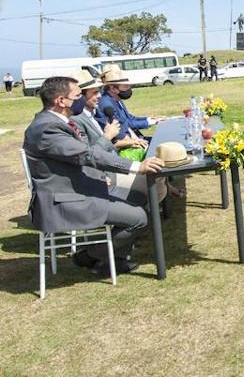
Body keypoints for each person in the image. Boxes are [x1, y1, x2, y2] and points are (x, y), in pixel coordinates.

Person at [23, 76, 165, 276]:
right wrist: (137, 166)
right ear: (61, 101)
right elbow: (86, 154)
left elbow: (78, 157)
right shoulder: (47, 128)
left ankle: (114, 257)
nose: (82, 98)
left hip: (83, 187)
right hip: (65, 199)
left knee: (140, 198)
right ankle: (90, 256)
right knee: (139, 218)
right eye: (78, 95)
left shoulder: (54, 122)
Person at [69, 69, 166, 205]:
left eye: (99, 91)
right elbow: (86, 155)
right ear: (80, 96)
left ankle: (139, 212)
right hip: (107, 173)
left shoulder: (93, 112)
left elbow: (126, 123)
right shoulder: (76, 120)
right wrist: (108, 136)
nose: (99, 96)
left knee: (158, 174)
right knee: (155, 178)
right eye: (95, 92)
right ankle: (136, 214)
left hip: (114, 164)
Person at [96, 66, 161, 143]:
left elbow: (129, 118)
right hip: (128, 142)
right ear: (113, 88)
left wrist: (150, 119)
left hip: (134, 138)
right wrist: (150, 123)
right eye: (125, 86)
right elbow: (124, 126)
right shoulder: (106, 104)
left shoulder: (117, 98)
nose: (129, 89)